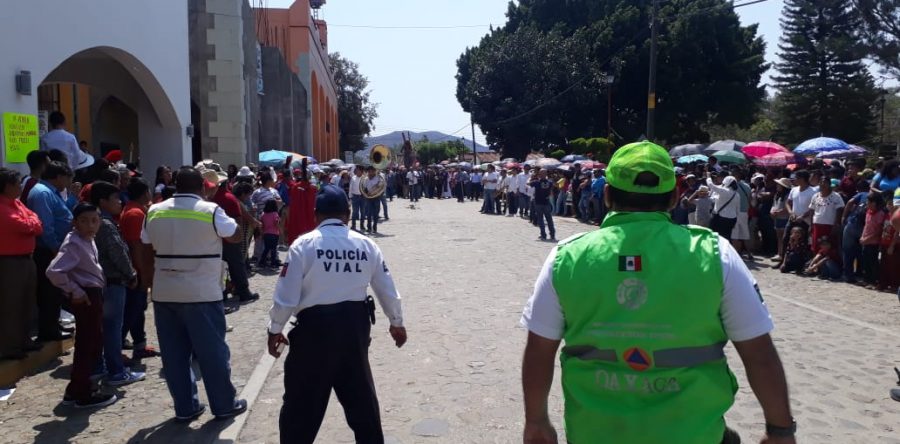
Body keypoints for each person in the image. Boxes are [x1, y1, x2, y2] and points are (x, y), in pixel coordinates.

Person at [520, 141, 794, 444]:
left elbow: (539, 350)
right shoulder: (716, 253)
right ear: (675, 197)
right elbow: (759, 354)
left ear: (607, 195)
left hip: (594, 433)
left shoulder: (566, 257)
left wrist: (536, 422)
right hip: (694, 434)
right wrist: (780, 430)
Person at [267, 185, 407, 444]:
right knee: (362, 404)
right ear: (348, 213)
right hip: (353, 330)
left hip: (313, 333)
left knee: (301, 407)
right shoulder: (366, 244)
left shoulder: (303, 245)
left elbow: (286, 295)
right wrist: (396, 322)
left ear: (315, 214)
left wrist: (275, 329)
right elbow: (386, 288)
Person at [141, 167, 248, 421]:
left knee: (174, 356)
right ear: (202, 187)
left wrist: (149, 282)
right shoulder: (210, 210)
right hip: (202, 293)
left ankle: (185, 408)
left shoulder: (154, 210)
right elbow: (235, 236)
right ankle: (224, 404)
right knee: (212, 353)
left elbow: (145, 245)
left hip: (165, 292)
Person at [46, 203, 118, 409]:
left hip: (93, 293)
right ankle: (82, 393)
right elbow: (53, 271)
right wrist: (75, 291)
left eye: (94, 221)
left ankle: (75, 389)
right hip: (86, 296)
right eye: (84, 221)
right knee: (88, 344)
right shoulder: (74, 243)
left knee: (91, 342)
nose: (90, 225)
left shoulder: (87, 239)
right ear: (75, 223)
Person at [88, 181, 144, 385]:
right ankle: (116, 372)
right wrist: (131, 274)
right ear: (103, 201)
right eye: (115, 199)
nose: (119, 202)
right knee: (112, 329)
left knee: (103, 329)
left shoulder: (93, 221)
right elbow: (117, 253)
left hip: (100, 282)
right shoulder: (105, 224)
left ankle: (100, 367)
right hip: (112, 282)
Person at [27, 161, 75, 342]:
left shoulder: (50, 192)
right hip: (48, 251)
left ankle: (54, 325)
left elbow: (62, 215)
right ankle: (49, 330)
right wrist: (55, 248)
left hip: (54, 249)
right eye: (68, 178)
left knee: (55, 292)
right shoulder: (42, 193)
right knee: (49, 292)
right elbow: (45, 226)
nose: (69, 183)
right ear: (59, 176)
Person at [0, 168, 43, 360]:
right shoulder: (2, 208)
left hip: (26, 259)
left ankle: (24, 340)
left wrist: (32, 222)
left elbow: (35, 220)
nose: (20, 187)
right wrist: (32, 222)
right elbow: (26, 225)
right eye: (17, 184)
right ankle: (10, 347)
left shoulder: (16, 203)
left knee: (27, 302)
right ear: (7, 186)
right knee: (12, 305)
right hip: (9, 262)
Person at [118, 179, 160, 360]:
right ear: (145, 193)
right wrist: (143, 275)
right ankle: (115, 351)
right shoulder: (135, 214)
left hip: (136, 269)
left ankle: (139, 345)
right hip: (137, 271)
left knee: (136, 311)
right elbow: (137, 247)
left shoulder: (132, 210)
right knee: (132, 312)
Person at [213, 180, 260, 304]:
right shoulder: (229, 198)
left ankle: (223, 292)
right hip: (230, 238)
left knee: (220, 267)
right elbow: (238, 220)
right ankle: (243, 291)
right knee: (237, 266)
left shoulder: (209, 198)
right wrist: (238, 238)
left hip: (214, 239)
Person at [807, 178, 844, 253]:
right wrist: (811, 225)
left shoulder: (836, 196)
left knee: (829, 247)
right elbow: (812, 210)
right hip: (817, 224)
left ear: (829, 184)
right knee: (816, 246)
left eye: (825, 182)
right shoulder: (815, 196)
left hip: (830, 225)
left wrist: (836, 225)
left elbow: (839, 210)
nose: (822, 184)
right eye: (821, 182)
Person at [859, 192, 887, 287]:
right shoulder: (868, 212)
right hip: (865, 241)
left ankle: (873, 281)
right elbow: (866, 225)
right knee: (865, 262)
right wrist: (862, 237)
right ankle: (866, 279)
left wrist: (867, 239)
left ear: (874, 203)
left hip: (873, 242)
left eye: (868, 201)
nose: (866, 203)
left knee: (872, 262)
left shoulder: (880, 214)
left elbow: (879, 231)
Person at [784, 170, 816, 249]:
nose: (795, 179)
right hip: (793, 219)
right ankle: (785, 256)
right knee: (786, 238)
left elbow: (814, 207)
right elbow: (787, 203)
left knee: (803, 241)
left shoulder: (814, 191)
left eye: (796, 178)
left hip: (806, 221)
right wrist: (791, 212)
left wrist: (803, 216)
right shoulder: (794, 189)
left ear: (802, 179)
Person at [707, 173, 740, 241]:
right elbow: (738, 209)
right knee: (727, 237)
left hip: (721, 218)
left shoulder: (724, 191)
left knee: (716, 236)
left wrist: (708, 177)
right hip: (732, 219)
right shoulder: (737, 195)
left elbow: (710, 185)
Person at [529, 168, 556, 241]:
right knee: (549, 219)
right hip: (546, 202)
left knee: (540, 219)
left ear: (539, 174)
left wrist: (532, 177)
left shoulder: (536, 182)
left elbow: (528, 183)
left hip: (538, 203)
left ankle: (543, 235)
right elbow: (551, 193)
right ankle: (552, 235)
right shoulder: (550, 182)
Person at [770, 178, 792, 263]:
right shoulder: (777, 195)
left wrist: (778, 212)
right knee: (779, 237)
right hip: (777, 218)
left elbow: (787, 208)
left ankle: (783, 254)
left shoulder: (787, 195)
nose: (777, 186)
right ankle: (779, 253)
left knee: (784, 237)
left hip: (784, 218)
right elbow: (774, 205)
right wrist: (772, 211)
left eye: (779, 185)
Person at [260, 199, 282, 268]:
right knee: (273, 249)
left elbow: (262, 225)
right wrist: (281, 231)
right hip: (274, 234)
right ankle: (273, 263)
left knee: (266, 249)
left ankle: (261, 262)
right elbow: (276, 223)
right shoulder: (275, 214)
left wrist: (262, 233)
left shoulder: (263, 214)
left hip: (266, 233)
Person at [362, 166, 383, 233]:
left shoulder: (378, 178)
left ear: (374, 171)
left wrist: (376, 191)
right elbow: (364, 188)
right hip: (369, 198)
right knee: (368, 213)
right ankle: (369, 227)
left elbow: (381, 187)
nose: (370, 173)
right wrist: (366, 194)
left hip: (376, 197)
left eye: (371, 171)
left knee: (376, 213)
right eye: (369, 171)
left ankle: (375, 226)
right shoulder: (366, 179)